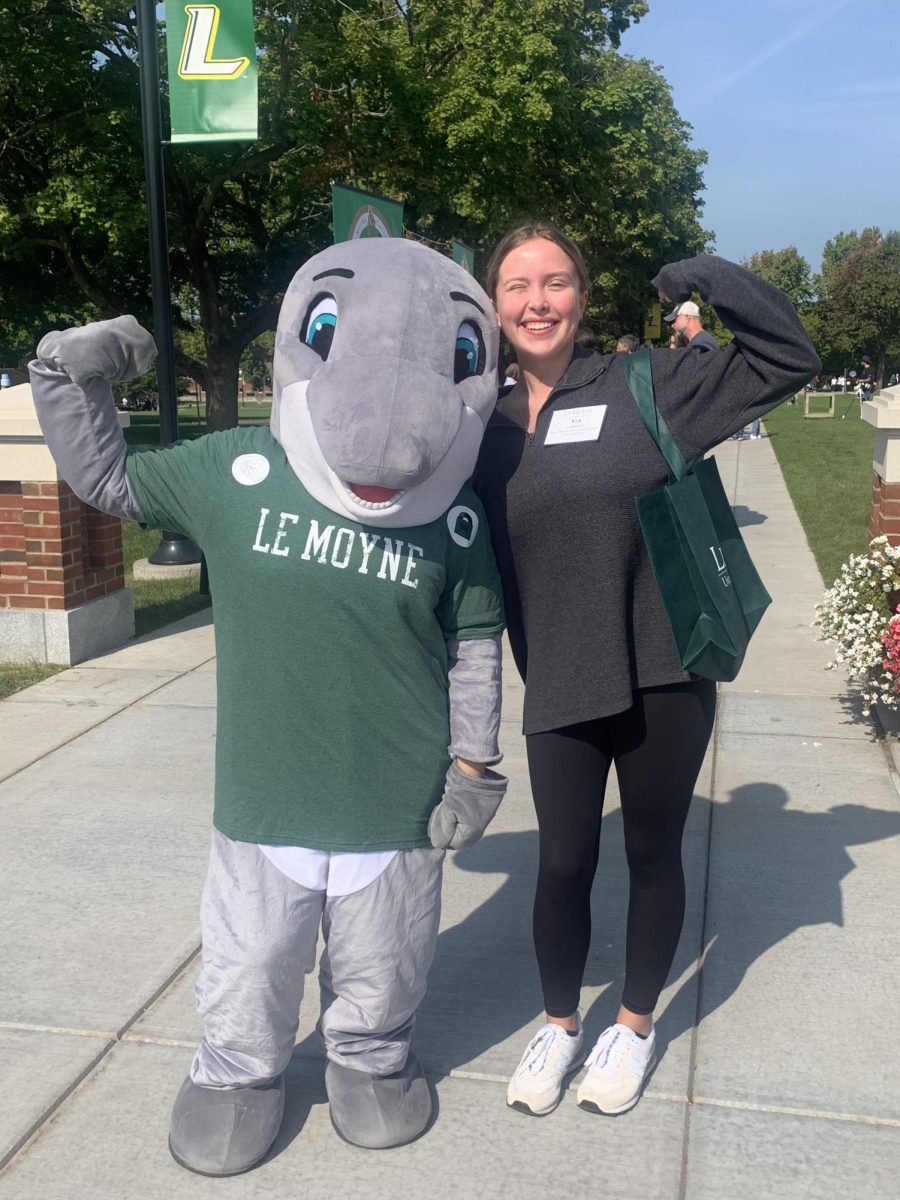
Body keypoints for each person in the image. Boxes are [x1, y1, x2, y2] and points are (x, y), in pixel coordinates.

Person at [472, 222, 819, 1120]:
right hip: (557, 675)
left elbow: (789, 355)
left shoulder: (649, 385)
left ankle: (630, 1024)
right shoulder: (474, 427)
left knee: (652, 852)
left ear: (583, 296)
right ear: (494, 304)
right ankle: (559, 1023)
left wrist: (693, 275)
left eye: (555, 283)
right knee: (561, 863)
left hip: (664, 669)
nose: (537, 301)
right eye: (517, 286)